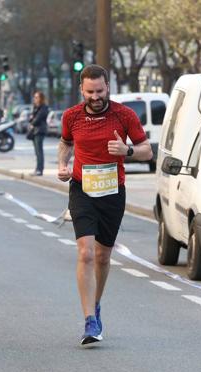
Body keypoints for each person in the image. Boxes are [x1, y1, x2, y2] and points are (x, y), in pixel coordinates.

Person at [57, 64, 152, 346]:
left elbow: (147, 150)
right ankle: (89, 320)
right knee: (85, 252)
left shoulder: (124, 115)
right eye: (90, 92)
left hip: (112, 191)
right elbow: (65, 143)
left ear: (108, 87)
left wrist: (128, 151)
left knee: (102, 256)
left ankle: (96, 305)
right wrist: (62, 164)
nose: (95, 97)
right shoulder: (71, 116)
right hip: (82, 189)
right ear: (81, 91)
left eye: (100, 91)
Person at [29, 91, 49, 175]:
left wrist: (33, 122)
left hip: (40, 131)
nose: (35, 99)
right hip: (35, 131)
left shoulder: (44, 107)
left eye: (37, 97)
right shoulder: (35, 107)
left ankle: (39, 170)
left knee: (39, 151)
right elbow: (31, 118)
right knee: (37, 152)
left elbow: (38, 118)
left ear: (41, 98)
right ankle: (37, 169)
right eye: (34, 97)